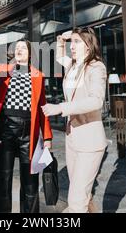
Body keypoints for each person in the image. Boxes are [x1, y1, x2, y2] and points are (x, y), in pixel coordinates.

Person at [0, 28, 53, 213]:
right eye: (17, 47)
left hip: (28, 132)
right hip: (6, 129)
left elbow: (42, 108)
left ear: (30, 54)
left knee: (30, 181)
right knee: (2, 177)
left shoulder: (38, 75)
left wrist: (47, 137)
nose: (19, 50)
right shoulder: (3, 70)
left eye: (24, 47)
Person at [41, 28, 108, 213]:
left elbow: (96, 100)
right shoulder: (72, 66)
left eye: (77, 42)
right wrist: (63, 38)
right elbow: (59, 55)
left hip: (90, 141)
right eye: (72, 42)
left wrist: (61, 108)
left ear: (88, 46)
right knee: (83, 194)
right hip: (72, 139)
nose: (73, 46)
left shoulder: (96, 67)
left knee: (76, 200)